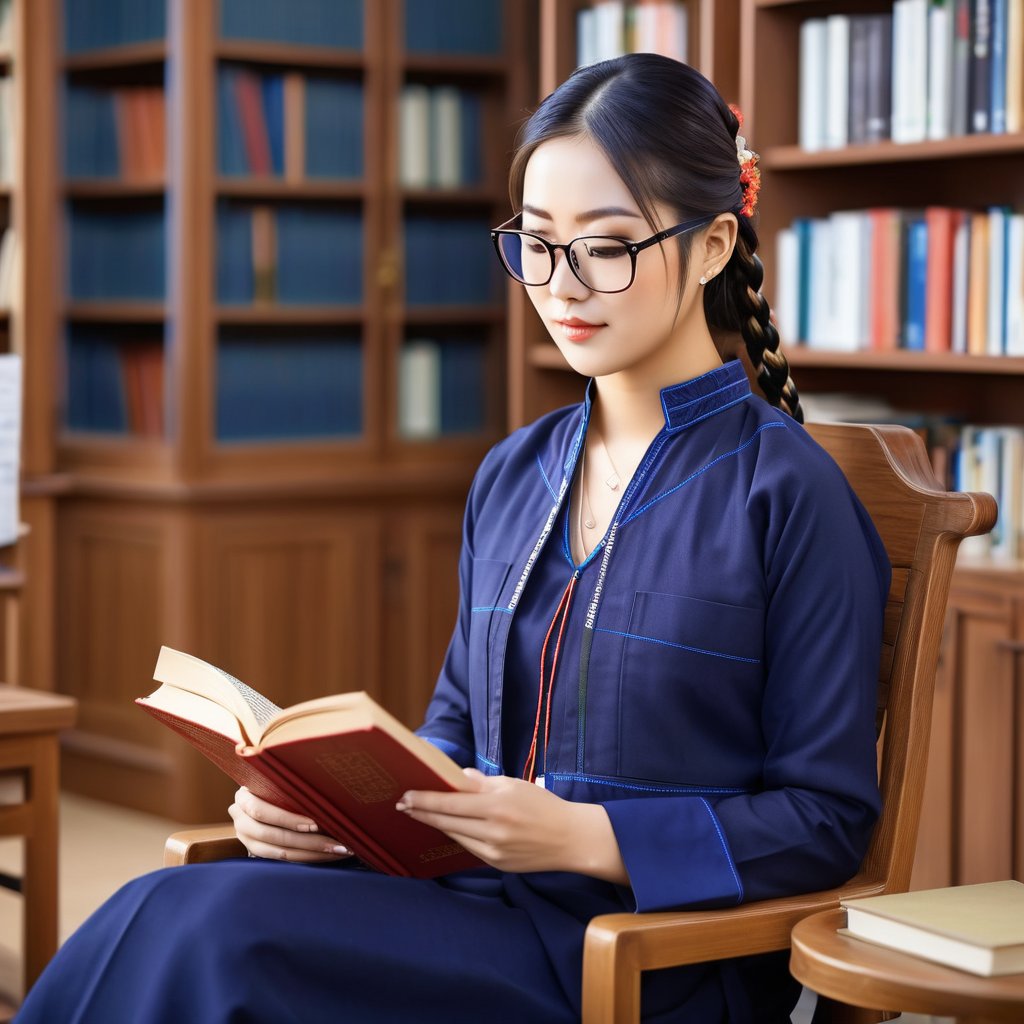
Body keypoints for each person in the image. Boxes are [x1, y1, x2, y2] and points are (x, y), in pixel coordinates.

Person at [16, 53, 889, 1024]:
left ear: (715, 243)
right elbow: (457, 735)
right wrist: (335, 811)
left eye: (605, 247)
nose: (561, 287)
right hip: (468, 907)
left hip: (637, 959)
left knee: (221, 939)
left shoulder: (789, 493)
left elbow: (825, 819)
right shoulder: (513, 472)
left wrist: (586, 835)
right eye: (536, 244)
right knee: (169, 904)